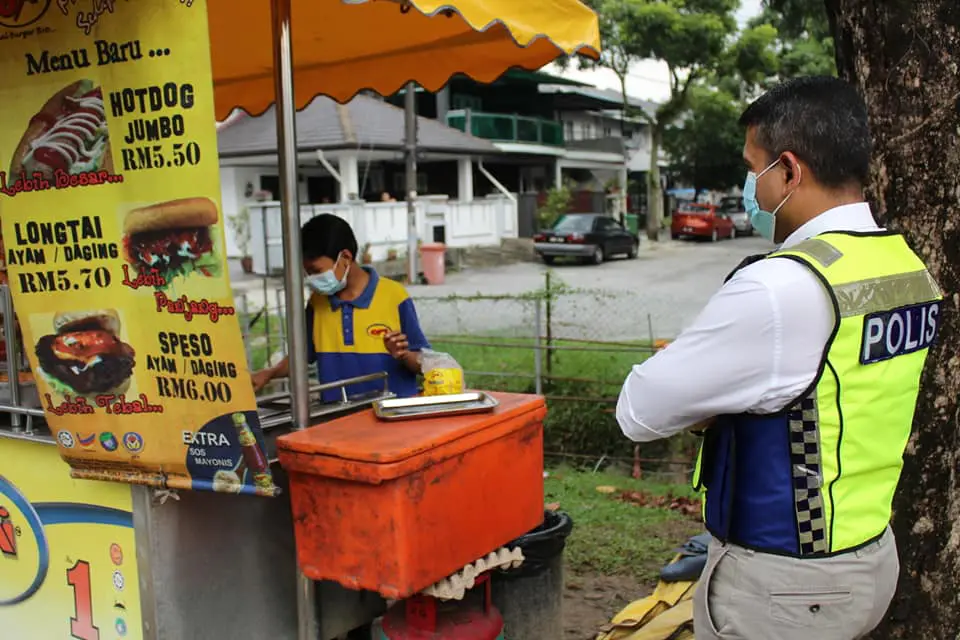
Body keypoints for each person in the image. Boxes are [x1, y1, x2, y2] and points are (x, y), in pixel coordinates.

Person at [615, 76, 942, 640]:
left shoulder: (781, 286)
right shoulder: (902, 266)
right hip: (870, 558)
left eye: (754, 167)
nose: (751, 188)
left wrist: (710, 402)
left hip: (784, 586)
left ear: (789, 172)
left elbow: (638, 412)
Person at [251, 213, 429, 401]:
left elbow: (425, 362)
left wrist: (403, 354)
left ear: (345, 257)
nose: (310, 278)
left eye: (316, 271)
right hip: (337, 416)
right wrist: (269, 373)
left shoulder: (394, 296)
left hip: (392, 416)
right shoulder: (316, 303)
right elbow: (301, 357)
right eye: (307, 272)